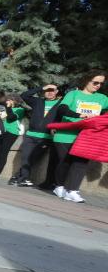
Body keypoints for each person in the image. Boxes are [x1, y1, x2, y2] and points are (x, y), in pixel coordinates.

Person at [51, 70, 108, 202]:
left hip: (87, 136)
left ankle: (72, 190)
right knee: (64, 163)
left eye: (101, 83)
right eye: (95, 82)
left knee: (80, 163)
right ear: (86, 80)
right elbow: (62, 109)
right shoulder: (73, 94)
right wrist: (80, 115)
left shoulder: (103, 99)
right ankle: (60, 186)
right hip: (65, 135)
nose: (98, 85)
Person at [8, 84, 62, 187]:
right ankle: (21, 178)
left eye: (52, 90)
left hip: (45, 138)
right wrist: (41, 87)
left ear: (56, 92)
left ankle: (19, 177)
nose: (50, 92)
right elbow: (24, 96)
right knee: (25, 158)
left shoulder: (60, 104)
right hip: (30, 135)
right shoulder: (38, 102)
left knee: (32, 158)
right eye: (47, 90)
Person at [0, 96, 24, 179]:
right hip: (2, 131)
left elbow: (11, 118)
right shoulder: (5, 109)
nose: (7, 101)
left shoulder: (20, 110)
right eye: (7, 99)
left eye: (10, 100)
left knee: (3, 152)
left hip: (12, 133)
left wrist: (8, 107)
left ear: (15, 101)